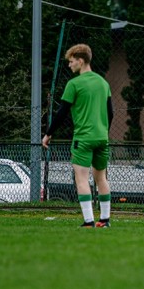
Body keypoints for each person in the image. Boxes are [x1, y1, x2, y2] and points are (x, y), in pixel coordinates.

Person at [42, 44, 113, 228]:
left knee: (81, 179)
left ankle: (89, 221)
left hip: (83, 138)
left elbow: (62, 112)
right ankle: (104, 220)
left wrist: (48, 134)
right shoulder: (103, 83)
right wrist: (103, 132)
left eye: (71, 61)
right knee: (101, 178)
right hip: (102, 138)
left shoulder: (74, 84)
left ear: (80, 61)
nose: (69, 65)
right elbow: (110, 112)